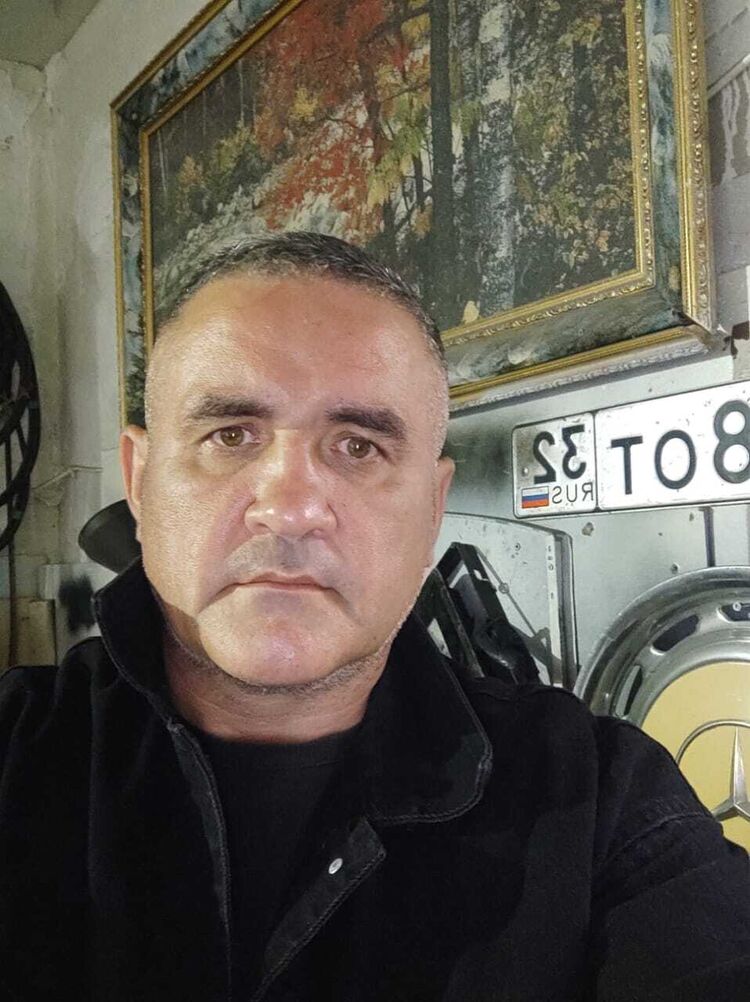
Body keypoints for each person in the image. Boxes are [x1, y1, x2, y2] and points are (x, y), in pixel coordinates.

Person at [1, 232, 749, 1002]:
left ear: (432, 508)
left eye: (358, 447)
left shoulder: (603, 805)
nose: (290, 507)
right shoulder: (17, 757)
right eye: (230, 436)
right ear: (139, 482)